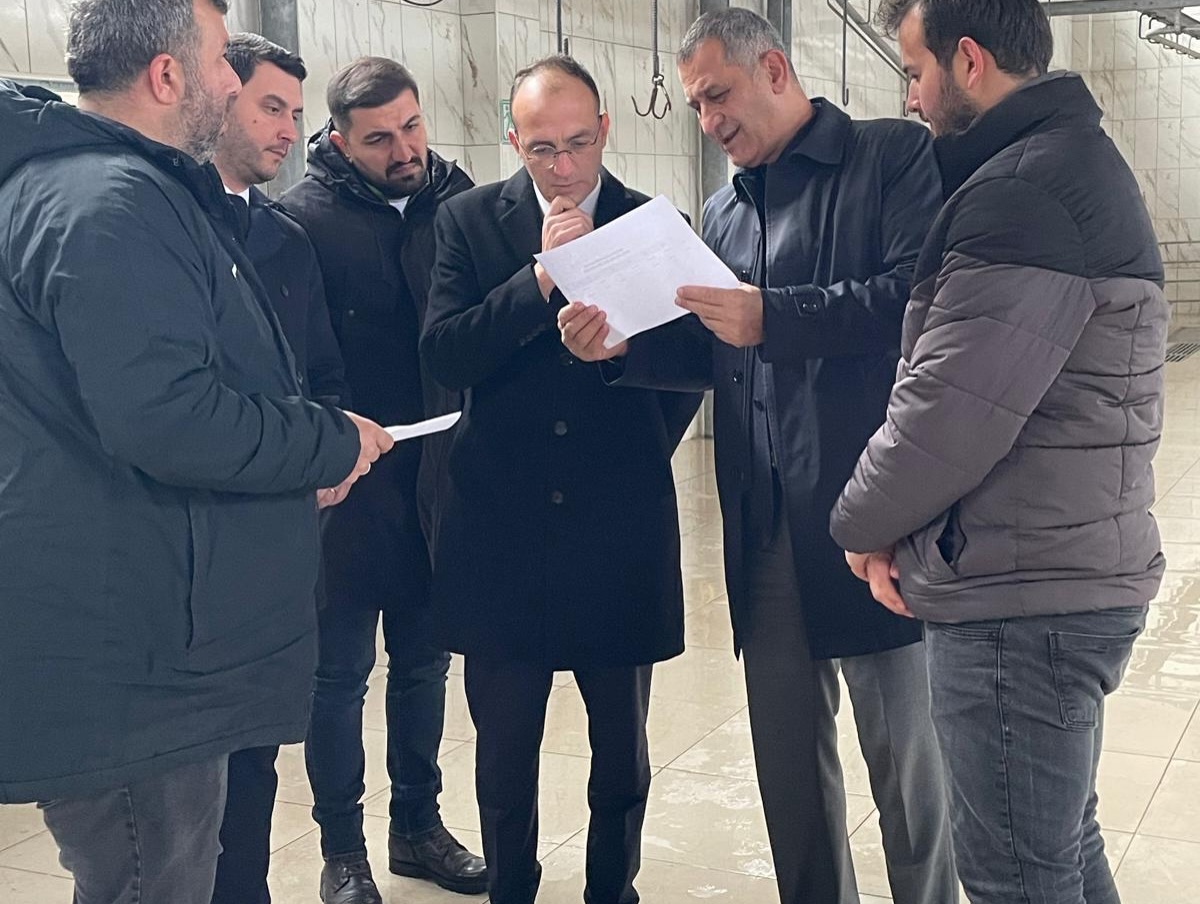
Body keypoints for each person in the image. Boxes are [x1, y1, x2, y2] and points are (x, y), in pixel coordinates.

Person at [558, 10, 954, 904]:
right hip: (764, 524)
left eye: (718, 96)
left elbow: (917, 302)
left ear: (774, 69)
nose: (708, 121)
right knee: (789, 774)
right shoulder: (722, 209)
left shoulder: (890, 158)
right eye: (696, 106)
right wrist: (621, 347)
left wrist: (776, 315)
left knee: (911, 774)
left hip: (875, 518)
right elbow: (716, 349)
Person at [0, 2, 393, 902]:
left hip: (135, 625)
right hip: (133, 658)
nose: (231, 80)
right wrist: (326, 442)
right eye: (221, 61)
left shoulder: (90, 188)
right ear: (168, 75)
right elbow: (168, 416)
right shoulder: (109, 203)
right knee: (154, 877)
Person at [831, 2, 1167, 902]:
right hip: (1058, 572)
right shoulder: (1066, 165)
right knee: (1058, 856)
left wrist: (859, 524)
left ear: (969, 61)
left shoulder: (1024, 193)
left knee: (1015, 878)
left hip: (1020, 597)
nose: (910, 98)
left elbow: (947, 412)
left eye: (914, 72)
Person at [420, 55, 701, 904]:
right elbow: (446, 353)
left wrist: (621, 361)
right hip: (500, 525)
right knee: (505, 755)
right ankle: (512, 888)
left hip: (616, 523)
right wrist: (540, 277)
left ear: (606, 129)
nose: (565, 166)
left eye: (579, 143)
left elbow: (695, 365)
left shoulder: (651, 224)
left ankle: (612, 889)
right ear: (514, 142)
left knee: (621, 753)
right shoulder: (469, 221)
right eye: (543, 149)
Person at [279, 57, 484, 904]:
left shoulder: (458, 202)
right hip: (348, 485)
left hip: (440, 479)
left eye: (411, 126)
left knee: (425, 665)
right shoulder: (300, 222)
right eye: (378, 139)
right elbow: (289, 360)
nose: (404, 150)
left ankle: (417, 828)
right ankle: (342, 851)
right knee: (337, 678)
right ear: (338, 140)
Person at [208, 33, 352, 904]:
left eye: (296, 114)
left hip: (276, 546)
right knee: (170, 811)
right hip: (187, 547)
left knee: (252, 769)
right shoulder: (157, 226)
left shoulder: (286, 240)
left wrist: (328, 452)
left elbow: (321, 374)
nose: (288, 132)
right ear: (213, 96)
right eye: (271, 108)